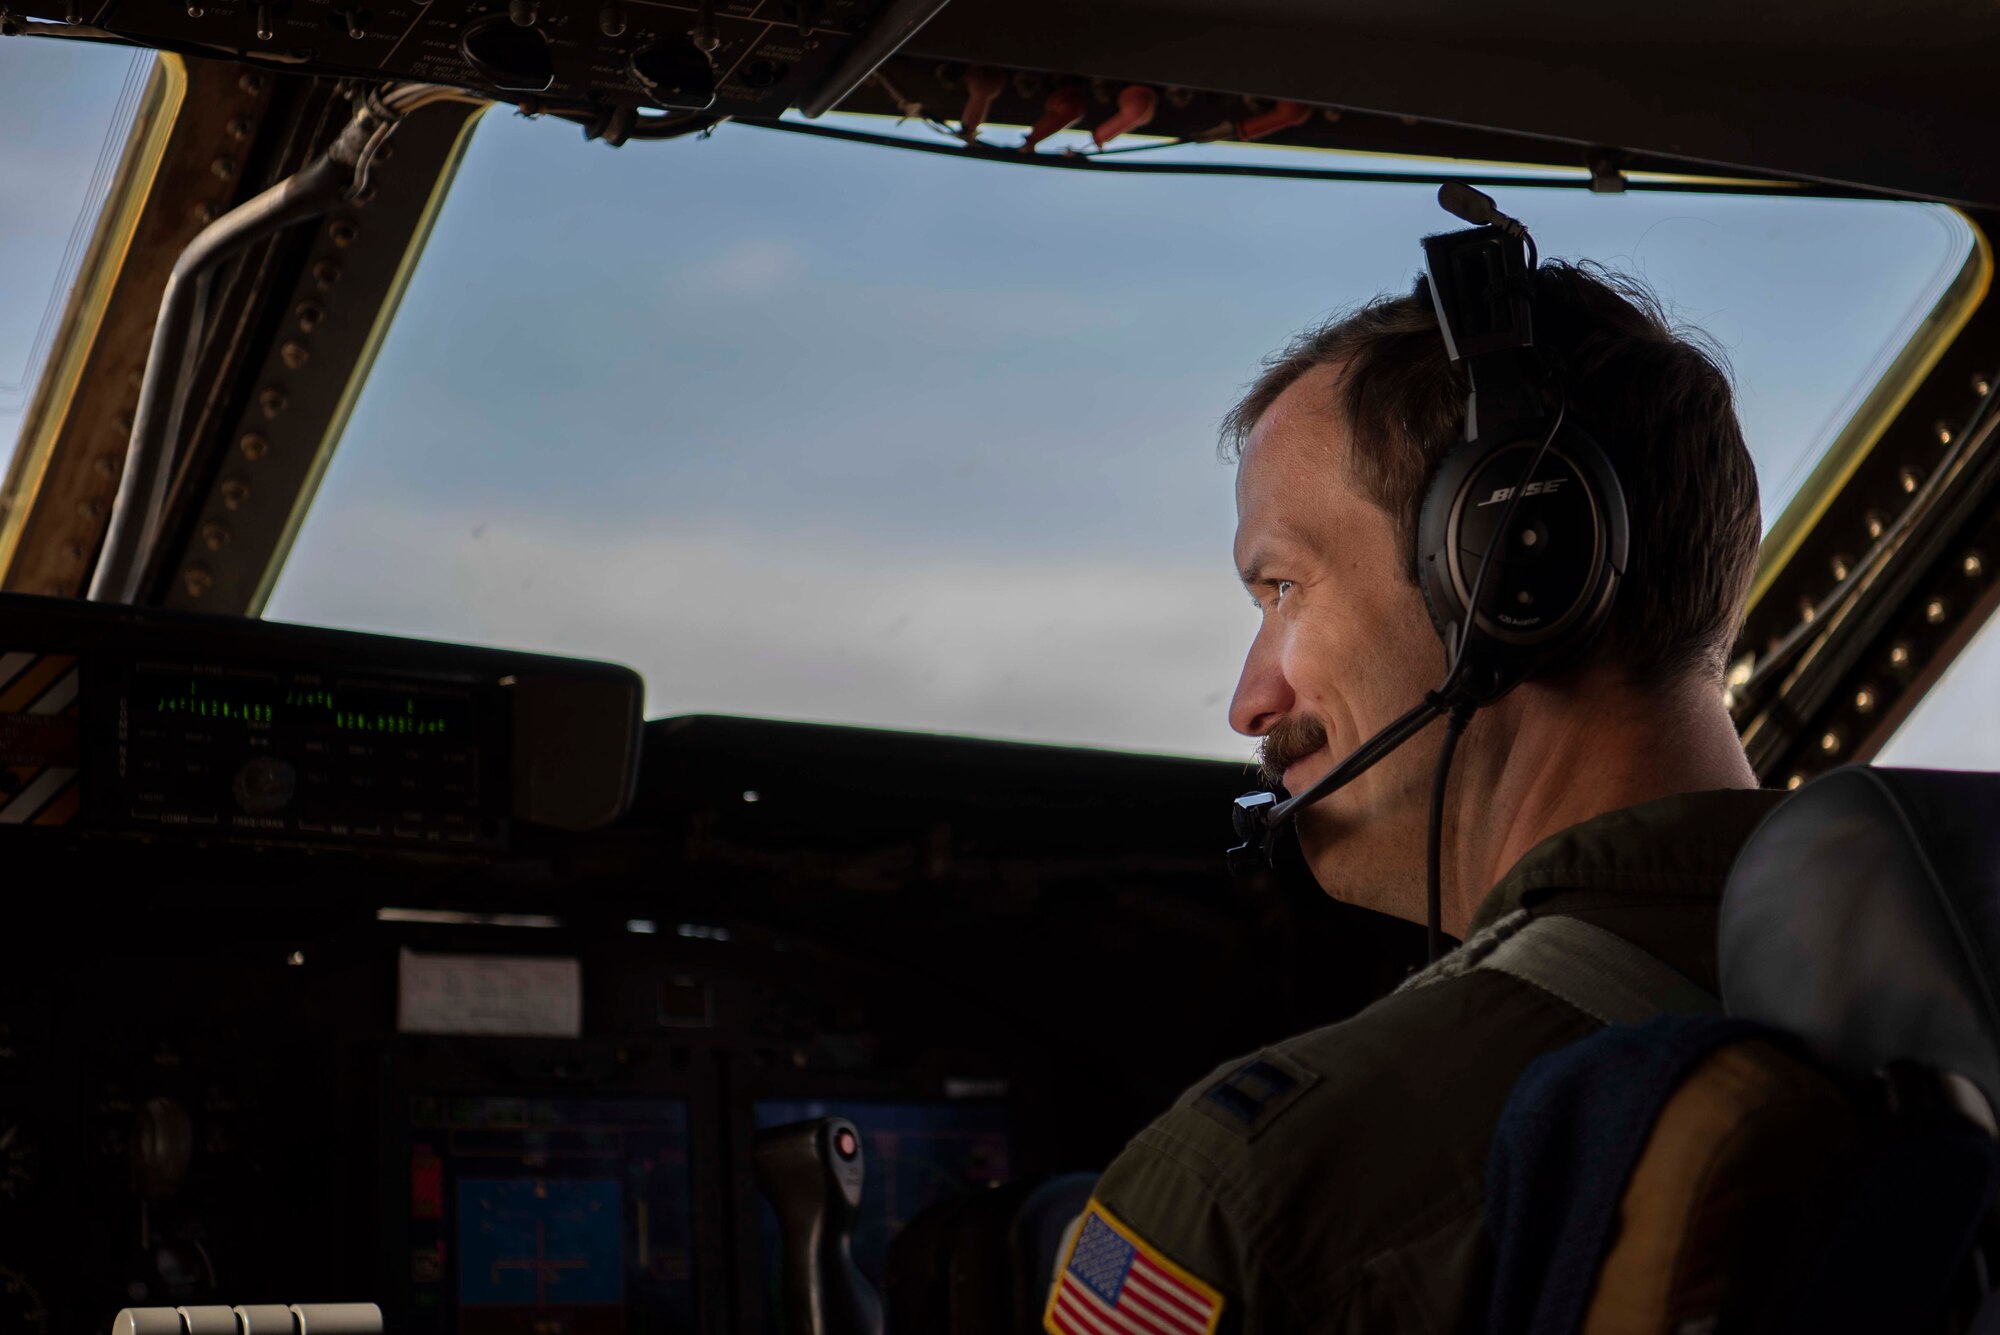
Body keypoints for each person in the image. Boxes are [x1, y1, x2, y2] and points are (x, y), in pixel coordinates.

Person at [1043, 262, 1781, 1335]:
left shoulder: (1254, 1197)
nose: (1250, 704)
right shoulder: (1944, 988)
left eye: (1284, 587)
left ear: (1506, 572)